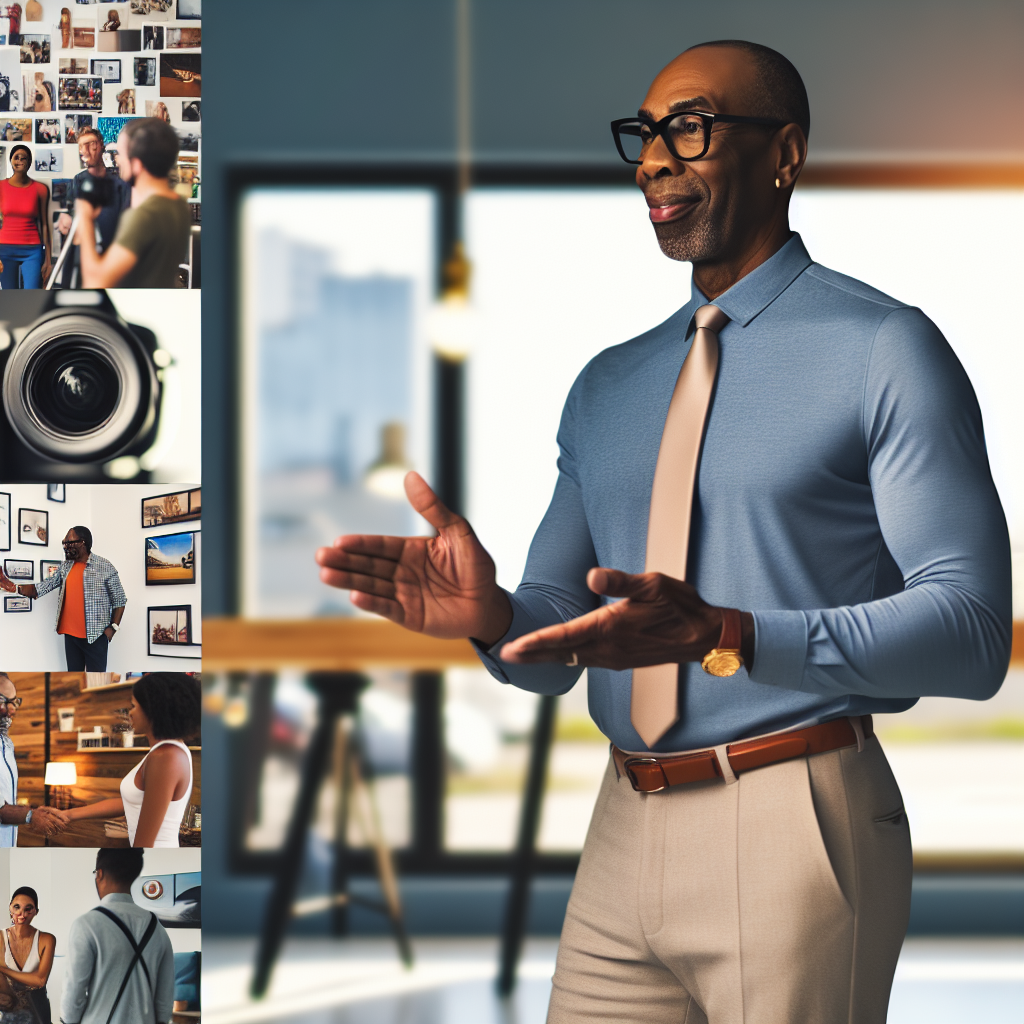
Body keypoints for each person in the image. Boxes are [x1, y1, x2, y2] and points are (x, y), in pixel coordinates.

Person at [316, 40, 1012, 1024]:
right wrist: (494, 616)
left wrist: (730, 634)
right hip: (620, 826)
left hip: (795, 813)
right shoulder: (607, 387)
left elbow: (972, 632)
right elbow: (561, 632)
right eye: (642, 136)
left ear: (784, 153)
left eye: (688, 127)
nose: (650, 158)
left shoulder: (885, 350)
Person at [63, 674, 199, 847]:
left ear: (153, 709)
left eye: (134, 706)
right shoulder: (166, 751)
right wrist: (70, 815)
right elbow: (132, 802)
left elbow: (145, 843)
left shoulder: (166, 756)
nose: (130, 713)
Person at [61, 848, 175, 1024]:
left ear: (99, 874)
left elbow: (73, 993)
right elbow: (165, 999)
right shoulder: (157, 929)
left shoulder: (87, 925)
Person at [75, 117, 190, 288]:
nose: (118, 160)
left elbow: (95, 282)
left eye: (121, 154)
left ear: (136, 164)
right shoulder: (179, 205)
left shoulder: (142, 217)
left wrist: (84, 216)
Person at [0, 527, 126, 672]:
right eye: (64, 543)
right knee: (73, 682)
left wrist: (112, 629)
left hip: (95, 637)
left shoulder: (105, 566)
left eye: (69, 543)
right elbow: (43, 587)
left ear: (82, 543)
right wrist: (14, 588)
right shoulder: (66, 566)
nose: (66, 546)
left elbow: (120, 600)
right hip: (70, 637)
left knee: (96, 684)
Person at [56, 126, 131, 288]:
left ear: (101, 145)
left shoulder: (119, 179)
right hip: (84, 252)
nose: (86, 150)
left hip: (112, 255)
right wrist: (66, 217)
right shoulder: (78, 181)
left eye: (91, 144)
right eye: (82, 146)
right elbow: (71, 212)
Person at [0, 674, 69, 845]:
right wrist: (31, 815)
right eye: (3, 701)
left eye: (15, 702)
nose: (13, 709)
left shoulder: (6, 744)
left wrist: (34, 811)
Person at [0, 887, 56, 1024]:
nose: (22, 914)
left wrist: (3, 970)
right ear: (10, 908)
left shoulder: (47, 939)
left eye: (28, 909)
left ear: (36, 911)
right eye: (17, 907)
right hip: (11, 1012)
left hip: (38, 1011)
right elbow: (3, 988)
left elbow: (40, 980)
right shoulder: (1, 938)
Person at [0, 145, 51, 288]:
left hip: (32, 251)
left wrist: (48, 260)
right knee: (10, 297)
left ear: (29, 162)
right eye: (16, 157)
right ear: (11, 161)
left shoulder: (40, 189)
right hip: (4, 250)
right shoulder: (1, 186)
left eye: (24, 158)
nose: (20, 160)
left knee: (33, 295)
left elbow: (45, 225)